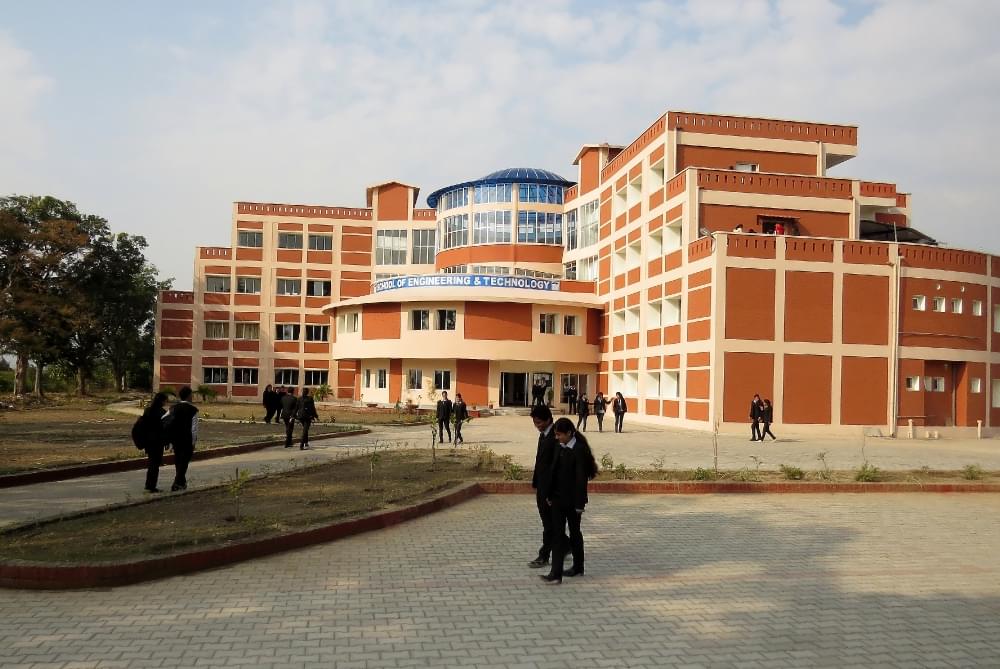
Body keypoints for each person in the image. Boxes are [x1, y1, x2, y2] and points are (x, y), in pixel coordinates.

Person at [540, 417, 598, 584]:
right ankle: (555, 573)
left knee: (574, 533)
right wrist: (549, 495)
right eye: (556, 435)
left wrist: (580, 505)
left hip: (573, 502)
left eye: (559, 435)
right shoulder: (560, 448)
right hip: (557, 500)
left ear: (569, 433)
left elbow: (581, 480)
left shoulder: (578, 450)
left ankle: (578, 566)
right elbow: (553, 473)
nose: (557, 438)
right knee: (557, 535)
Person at [528, 405, 560, 569]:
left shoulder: (556, 437)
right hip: (542, 486)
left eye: (539, 422)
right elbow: (540, 461)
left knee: (549, 525)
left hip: (551, 490)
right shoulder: (544, 435)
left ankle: (544, 555)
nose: (537, 425)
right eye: (535, 423)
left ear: (548, 419)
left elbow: (555, 467)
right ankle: (565, 545)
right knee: (548, 523)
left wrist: (551, 493)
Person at [167, 386, 199, 491]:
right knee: (184, 462)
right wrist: (193, 442)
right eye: (192, 394)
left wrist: (169, 438)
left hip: (175, 439)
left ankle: (182, 483)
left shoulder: (173, 408)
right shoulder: (193, 410)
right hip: (187, 439)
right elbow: (194, 428)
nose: (192, 396)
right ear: (189, 396)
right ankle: (176, 483)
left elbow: (165, 421)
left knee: (178, 461)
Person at [138, 392, 170, 493]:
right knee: (155, 464)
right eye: (166, 400)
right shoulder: (162, 412)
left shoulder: (148, 410)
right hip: (157, 441)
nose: (166, 402)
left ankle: (149, 484)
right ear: (162, 401)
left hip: (148, 440)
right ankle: (151, 486)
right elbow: (165, 428)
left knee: (152, 462)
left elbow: (143, 425)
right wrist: (166, 441)